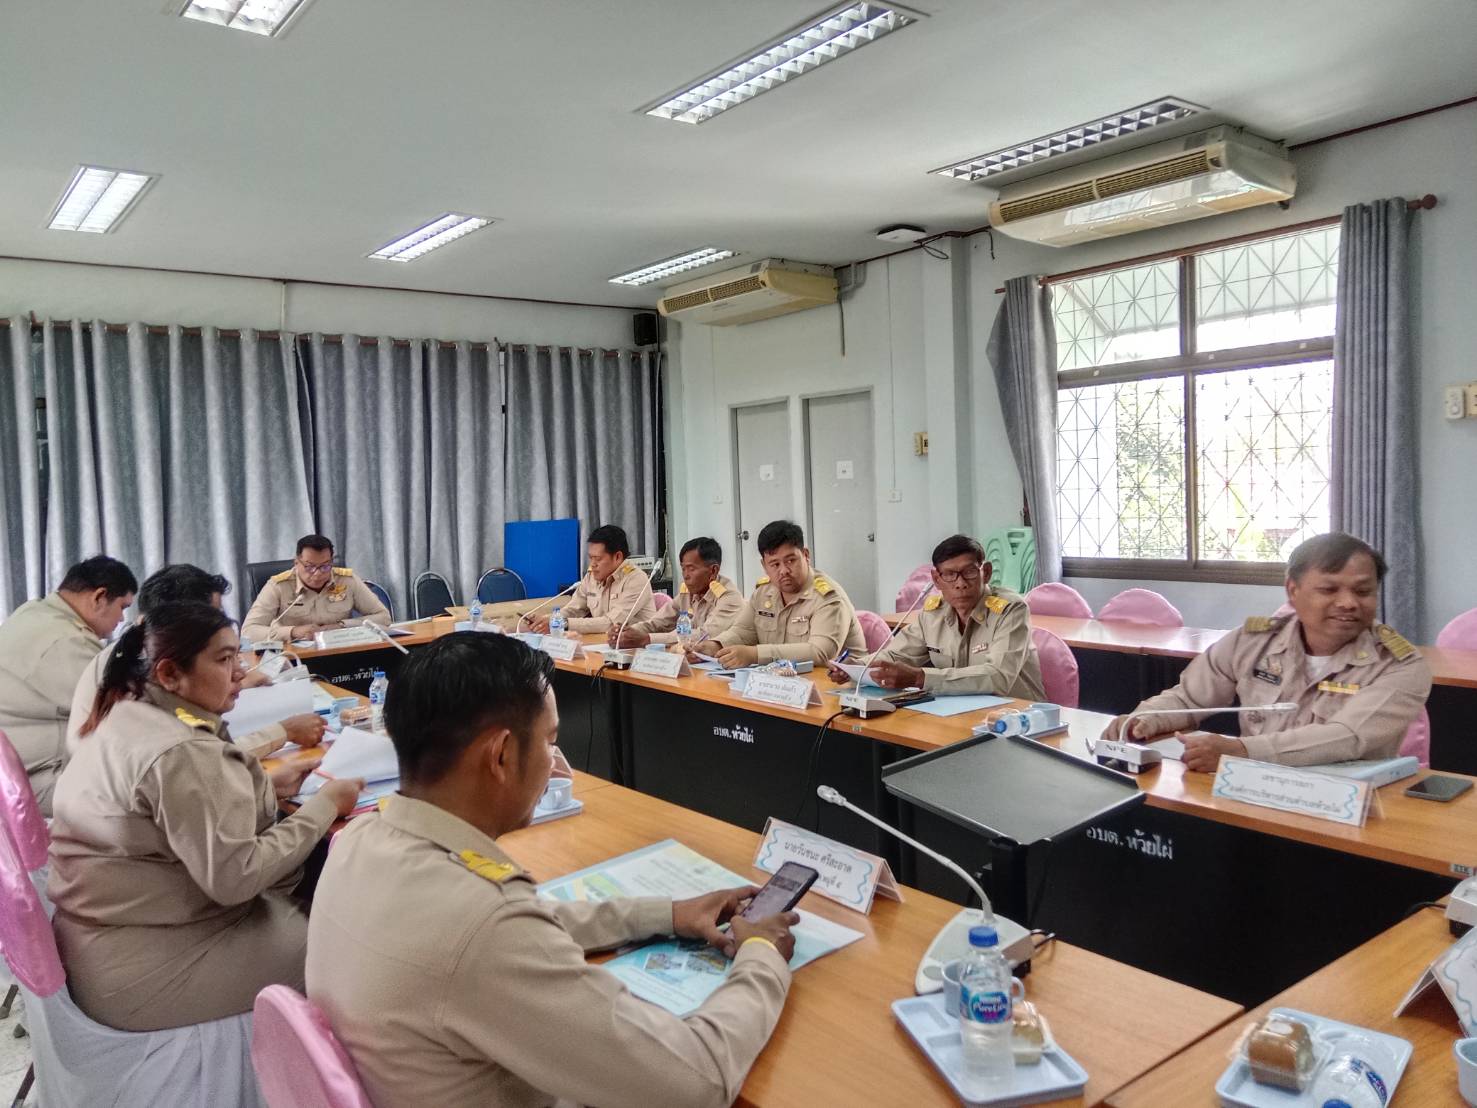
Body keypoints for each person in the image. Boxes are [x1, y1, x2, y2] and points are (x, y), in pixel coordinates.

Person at [307, 633, 796, 1108]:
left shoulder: (362, 839)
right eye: (550, 741)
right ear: (501, 755)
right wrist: (760, 955)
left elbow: (518, 931)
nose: (557, 763)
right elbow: (696, 1083)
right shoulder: (484, 926)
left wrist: (667, 914)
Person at [47, 602, 362, 1032]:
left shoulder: (130, 711)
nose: (240, 672)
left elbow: (165, 815)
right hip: (149, 964)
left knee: (320, 906)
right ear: (169, 673)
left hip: (108, 939)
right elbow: (238, 877)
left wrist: (262, 787)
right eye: (224, 659)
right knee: (354, 951)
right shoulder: (180, 750)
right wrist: (325, 805)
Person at [1103, 532, 1432, 772]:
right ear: (1292, 590)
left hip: (1352, 805)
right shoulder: (1252, 641)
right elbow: (1189, 699)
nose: (1348, 603)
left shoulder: (1400, 665)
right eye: (1329, 589)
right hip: (1253, 790)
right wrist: (1143, 719)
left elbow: (1347, 737)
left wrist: (1241, 750)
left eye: (1363, 591)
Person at [65, 564, 326, 762]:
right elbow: (203, 758)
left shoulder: (131, 650)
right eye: (213, 616)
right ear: (184, 621)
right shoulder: (145, 668)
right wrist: (283, 732)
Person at [829, 534, 1045, 699]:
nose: (960, 583)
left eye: (969, 572)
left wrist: (919, 677)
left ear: (986, 572)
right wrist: (856, 666)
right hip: (959, 711)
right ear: (936, 579)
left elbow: (997, 677)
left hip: (1017, 717)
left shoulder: (1010, 610)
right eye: (950, 575)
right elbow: (897, 656)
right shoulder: (933, 614)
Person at [0, 555, 136, 814]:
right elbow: (121, 708)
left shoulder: (34, 613)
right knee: (140, 795)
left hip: (14, 772)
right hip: (34, 782)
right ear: (99, 597)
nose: (121, 618)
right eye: (122, 606)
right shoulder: (66, 641)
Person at [697, 520, 865, 668]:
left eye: (791, 560)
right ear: (764, 566)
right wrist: (714, 646)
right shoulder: (763, 592)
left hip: (841, 686)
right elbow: (743, 632)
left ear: (806, 555)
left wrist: (755, 654)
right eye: (775, 564)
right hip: (784, 682)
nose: (784, 570)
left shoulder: (828, 598)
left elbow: (820, 652)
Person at [240, 534, 390, 643]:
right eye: (310, 567)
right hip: (293, 657)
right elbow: (248, 631)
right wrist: (293, 631)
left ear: (331, 562)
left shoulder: (347, 580)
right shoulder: (278, 586)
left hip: (338, 650)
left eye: (325, 566)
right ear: (296, 563)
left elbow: (383, 617)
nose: (317, 573)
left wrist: (341, 626)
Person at [609, 536, 743, 649]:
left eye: (691, 569)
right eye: (683, 569)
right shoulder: (688, 593)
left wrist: (647, 639)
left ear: (713, 571)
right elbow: (658, 622)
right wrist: (627, 632)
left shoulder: (729, 597)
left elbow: (704, 635)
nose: (685, 575)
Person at [525, 524, 657, 635]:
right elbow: (574, 609)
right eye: (590, 558)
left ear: (617, 556)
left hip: (635, 647)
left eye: (598, 559)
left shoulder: (636, 579)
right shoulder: (591, 576)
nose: (592, 564)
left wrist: (563, 623)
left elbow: (611, 623)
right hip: (602, 643)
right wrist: (548, 619)